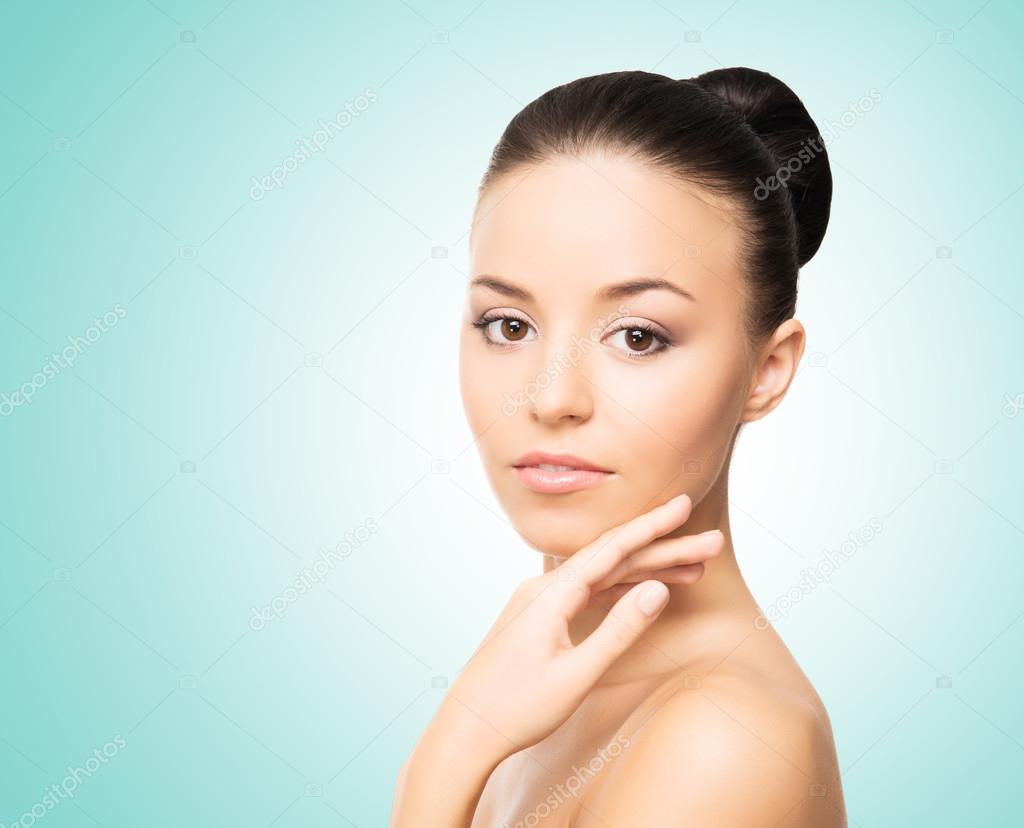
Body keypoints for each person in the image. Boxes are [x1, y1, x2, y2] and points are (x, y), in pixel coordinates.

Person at [391, 66, 846, 827]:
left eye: (638, 337)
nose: (552, 398)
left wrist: (447, 756)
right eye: (509, 325)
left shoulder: (727, 741)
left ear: (768, 371)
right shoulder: (534, 684)